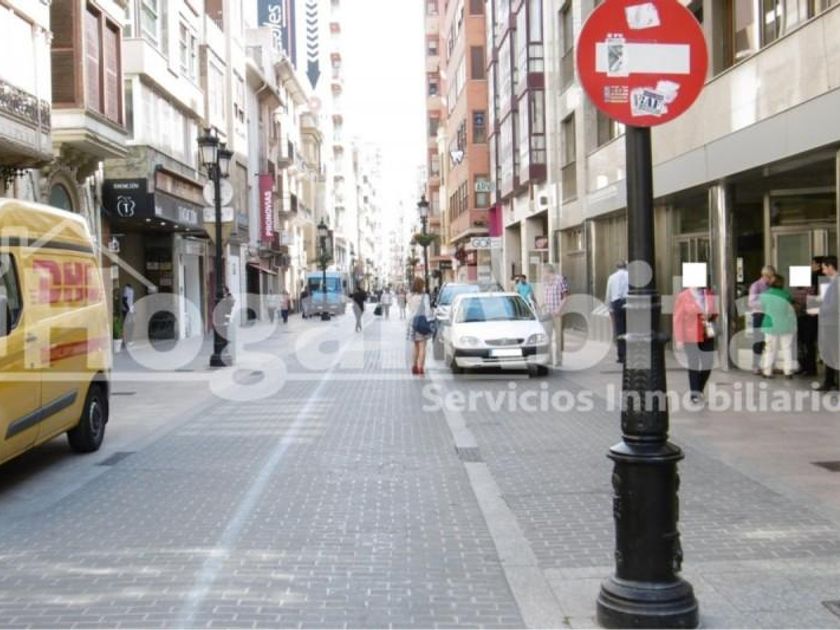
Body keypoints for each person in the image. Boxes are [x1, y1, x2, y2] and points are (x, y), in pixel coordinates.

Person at [673, 285, 717, 403]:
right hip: (690, 335)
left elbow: (715, 312)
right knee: (694, 364)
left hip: (706, 333)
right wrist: (679, 339)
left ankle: (699, 390)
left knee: (708, 363)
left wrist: (710, 315)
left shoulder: (709, 293)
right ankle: (695, 394)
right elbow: (678, 319)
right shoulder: (683, 296)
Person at [759, 275, 797, 379]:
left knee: (770, 349)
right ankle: (788, 372)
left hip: (770, 324)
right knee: (787, 348)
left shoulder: (765, 295)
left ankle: (767, 372)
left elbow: (762, 308)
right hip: (786, 324)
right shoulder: (786, 295)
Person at [796, 256, 823, 376]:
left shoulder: (816, 277)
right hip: (808, 313)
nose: (810, 265)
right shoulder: (812, 276)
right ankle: (807, 367)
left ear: (818, 265)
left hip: (809, 314)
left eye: (812, 263)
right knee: (807, 341)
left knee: (807, 341)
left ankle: (809, 367)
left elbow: (813, 295)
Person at [748, 265, 776, 374]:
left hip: (769, 315)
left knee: (769, 341)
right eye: (771, 276)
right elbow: (751, 302)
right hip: (759, 315)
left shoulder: (771, 286)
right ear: (766, 275)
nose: (773, 278)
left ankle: (768, 365)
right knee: (758, 341)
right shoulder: (756, 286)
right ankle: (756, 365)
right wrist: (766, 303)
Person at [817, 256, 839, 391]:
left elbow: (834, 305)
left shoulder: (836, 282)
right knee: (830, 352)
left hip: (833, 323)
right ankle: (830, 381)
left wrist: (819, 309)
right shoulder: (832, 282)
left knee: (833, 352)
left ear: (831, 267)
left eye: (824, 268)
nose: (823, 271)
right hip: (830, 322)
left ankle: (831, 382)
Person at [541, 264, 569, 368]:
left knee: (558, 337)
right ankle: (549, 359)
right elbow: (546, 296)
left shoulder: (560, 280)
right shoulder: (545, 282)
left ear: (548, 271)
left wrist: (559, 309)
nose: (542, 274)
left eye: (543, 272)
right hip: (548, 313)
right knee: (547, 336)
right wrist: (542, 305)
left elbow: (566, 297)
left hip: (558, 313)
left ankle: (559, 359)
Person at [407, 277, 433, 375]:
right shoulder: (425, 296)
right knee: (422, 346)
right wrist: (431, 320)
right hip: (421, 322)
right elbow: (427, 310)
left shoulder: (409, 295)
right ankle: (420, 368)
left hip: (412, 322)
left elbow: (410, 308)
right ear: (421, 286)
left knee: (415, 345)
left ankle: (414, 366)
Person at [605, 261, 629, 363]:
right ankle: (630, 354)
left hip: (616, 303)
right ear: (625, 266)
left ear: (617, 267)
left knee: (620, 329)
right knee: (629, 329)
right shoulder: (630, 276)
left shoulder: (611, 277)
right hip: (628, 302)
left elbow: (608, 294)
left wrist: (609, 308)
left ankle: (621, 355)